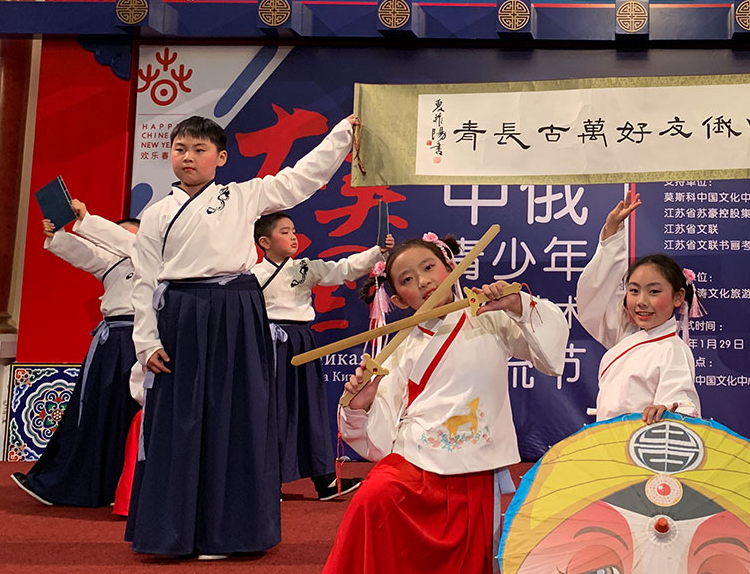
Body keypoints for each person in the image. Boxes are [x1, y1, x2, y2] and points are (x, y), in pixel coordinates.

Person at [126, 113, 359, 559]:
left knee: (238, 417)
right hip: (180, 315)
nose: (188, 157)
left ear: (220, 158)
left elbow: (301, 179)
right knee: (181, 421)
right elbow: (143, 283)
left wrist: (342, 135)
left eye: (199, 150)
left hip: (236, 311)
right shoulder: (155, 215)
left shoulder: (244, 195)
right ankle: (174, 533)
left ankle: (231, 532)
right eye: (180, 149)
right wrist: (147, 343)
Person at [325, 233, 568, 573]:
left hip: (475, 466)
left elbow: (550, 356)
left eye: (429, 268)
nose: (423, 281)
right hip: (414, 464)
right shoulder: (398, 349)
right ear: (398, 300)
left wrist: (516, 304)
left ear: (451, 267)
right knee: (373, 497)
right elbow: (378, 439)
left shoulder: (489, 318)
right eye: (407, 280)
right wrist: (360, 404)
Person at [250, 212, 389, 500]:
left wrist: (377, 252)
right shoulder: (251, 275)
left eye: (293, 230)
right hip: (268, 344)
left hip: (303, 342)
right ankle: (267, 483)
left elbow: (343, 269)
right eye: (284, 232)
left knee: (310, 408)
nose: (293, 237)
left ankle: (325, 480)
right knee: (271, 409)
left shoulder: (304, 268)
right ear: (264, 242)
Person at [13, 199, 141, 508]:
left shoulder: (158, 260)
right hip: (110, 345)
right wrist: (58, 234)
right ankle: (84, 484)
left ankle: (129, 487)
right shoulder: (112, 265)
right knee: (96, 415)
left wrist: (87, 219)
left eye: (126, 236)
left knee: (131, 417)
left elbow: (130, 244)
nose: (119, 242)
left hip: (141, 342)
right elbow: (86, 253)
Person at [577, 189, 702, 424]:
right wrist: (611, 233)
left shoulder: (672, 349)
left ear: (678, 297)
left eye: (654, 292)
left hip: (643, 441)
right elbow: (594, 299)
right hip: (611, 438)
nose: (641, 301)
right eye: (634, 291)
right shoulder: (626, 334)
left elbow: (682, 401)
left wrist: (667, 409)